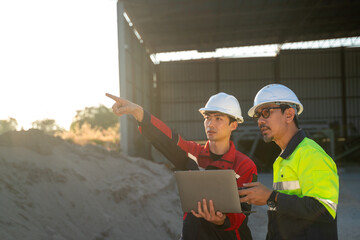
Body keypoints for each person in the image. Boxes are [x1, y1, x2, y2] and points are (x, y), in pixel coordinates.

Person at [106, 92, 258, 240]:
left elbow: (243, 212)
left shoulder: (244, 165)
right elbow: (167, 138)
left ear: (233, 125)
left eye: (218, 118)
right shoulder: (193, 154)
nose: (210, 123)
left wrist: (221, 220)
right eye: (207, 118)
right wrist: (138, 112)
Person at [238, 84, 339, 240]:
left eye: (266, 112)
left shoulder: (310, 153)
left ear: (289, 115)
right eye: (258, 116)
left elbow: (324, 209)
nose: (260, 121)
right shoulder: (284, 158)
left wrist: (271, 197)